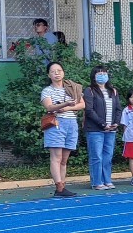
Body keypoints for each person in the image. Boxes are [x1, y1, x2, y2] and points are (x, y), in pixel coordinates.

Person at [40, 62, 84, 198]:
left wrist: (68, 107)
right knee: (56, 157)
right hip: (56, 123)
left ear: (63, 72)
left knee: (64, 159)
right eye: (53, 71)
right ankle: (59, 187)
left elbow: (82, 104)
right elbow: (49, 107)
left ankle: (62, 186)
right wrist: (65, 104)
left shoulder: (72, 88)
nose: (57, 73)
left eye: (59, 70)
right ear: (49, 75)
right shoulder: (47, 91)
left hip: (71, 123)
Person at [83, 64, 121, 190]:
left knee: (108, 156)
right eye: (99, 73)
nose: (103, 76)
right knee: (97, 156)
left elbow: (118, 109)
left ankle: (107, 180)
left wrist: (116, 123)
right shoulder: (89, 90)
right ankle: (97, 182)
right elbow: (89, 110)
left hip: (111, 130)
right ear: (94, 76)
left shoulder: (113, 91)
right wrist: (103, 124)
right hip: (95, 129)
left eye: (104, 73)